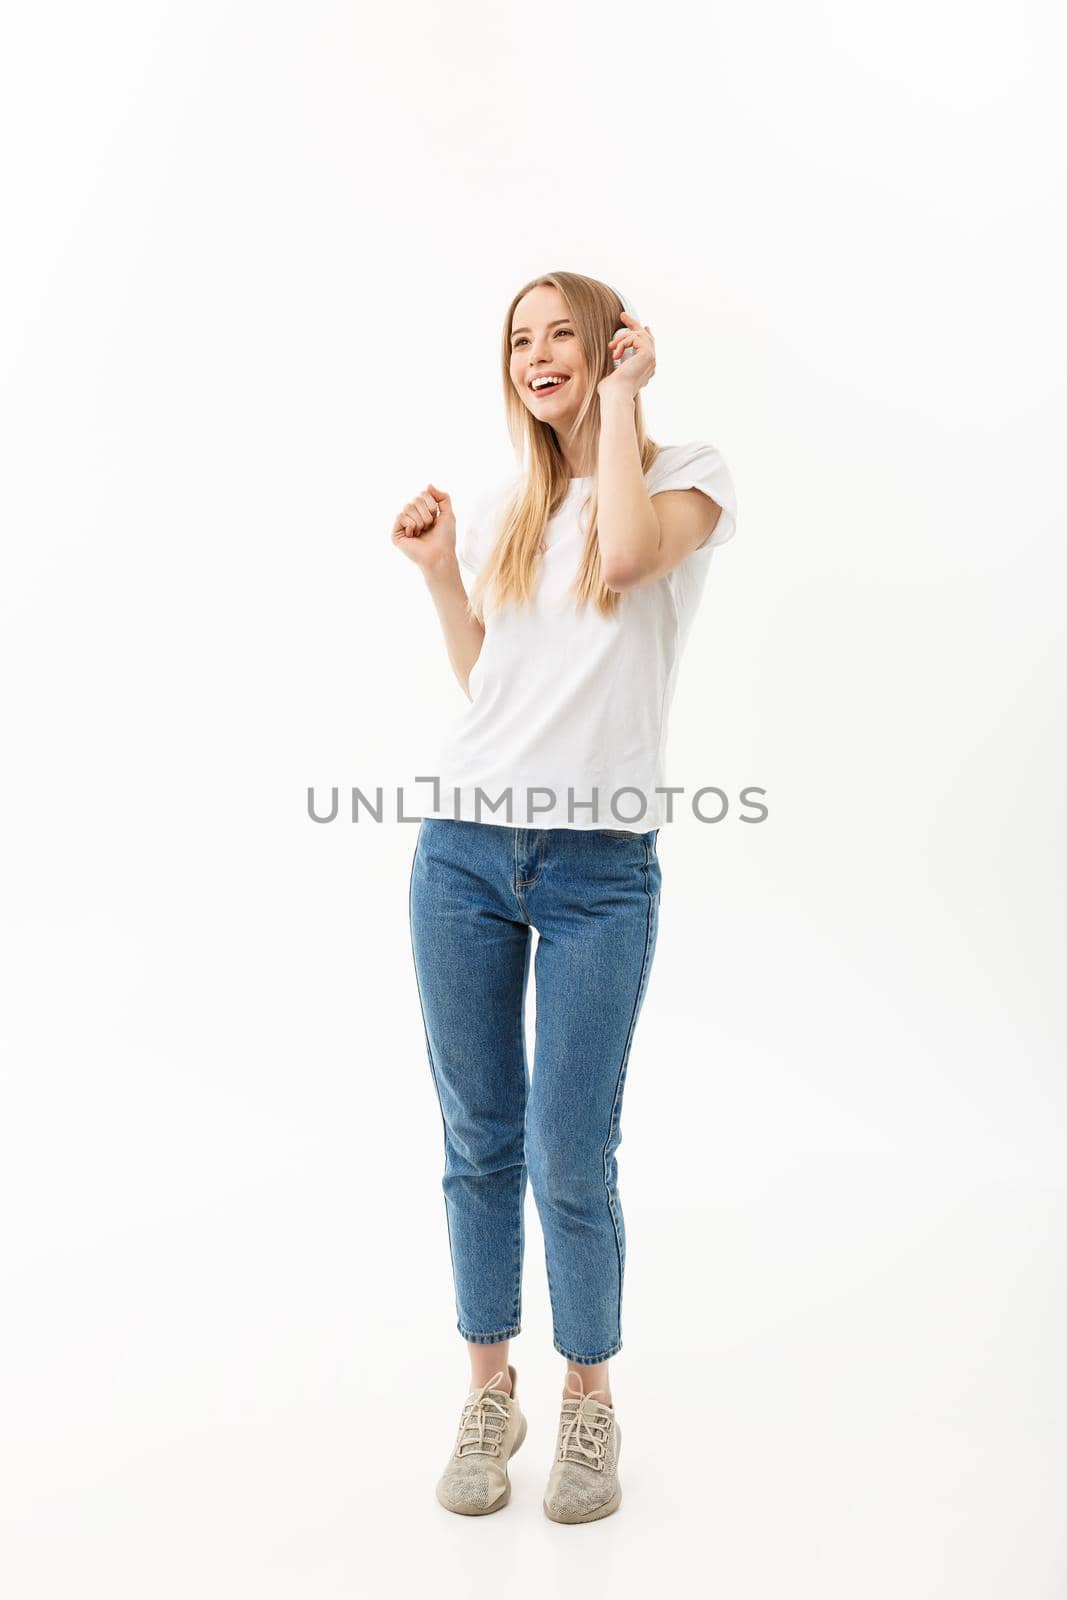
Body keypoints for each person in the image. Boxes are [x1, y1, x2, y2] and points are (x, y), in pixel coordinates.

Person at [391, 270, 738, 1522]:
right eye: (519, 340)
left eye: (562, 336)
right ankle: (491, 1390)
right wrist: (441, 575)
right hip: (464, 854)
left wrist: (629, 405)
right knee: (478, 1135)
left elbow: (632, 555)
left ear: (607, 347)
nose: (537, 354)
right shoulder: (500, 512)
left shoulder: (684, 470)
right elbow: (493, 684)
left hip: (600, 872)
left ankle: (587, 1399)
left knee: (567, 1151)